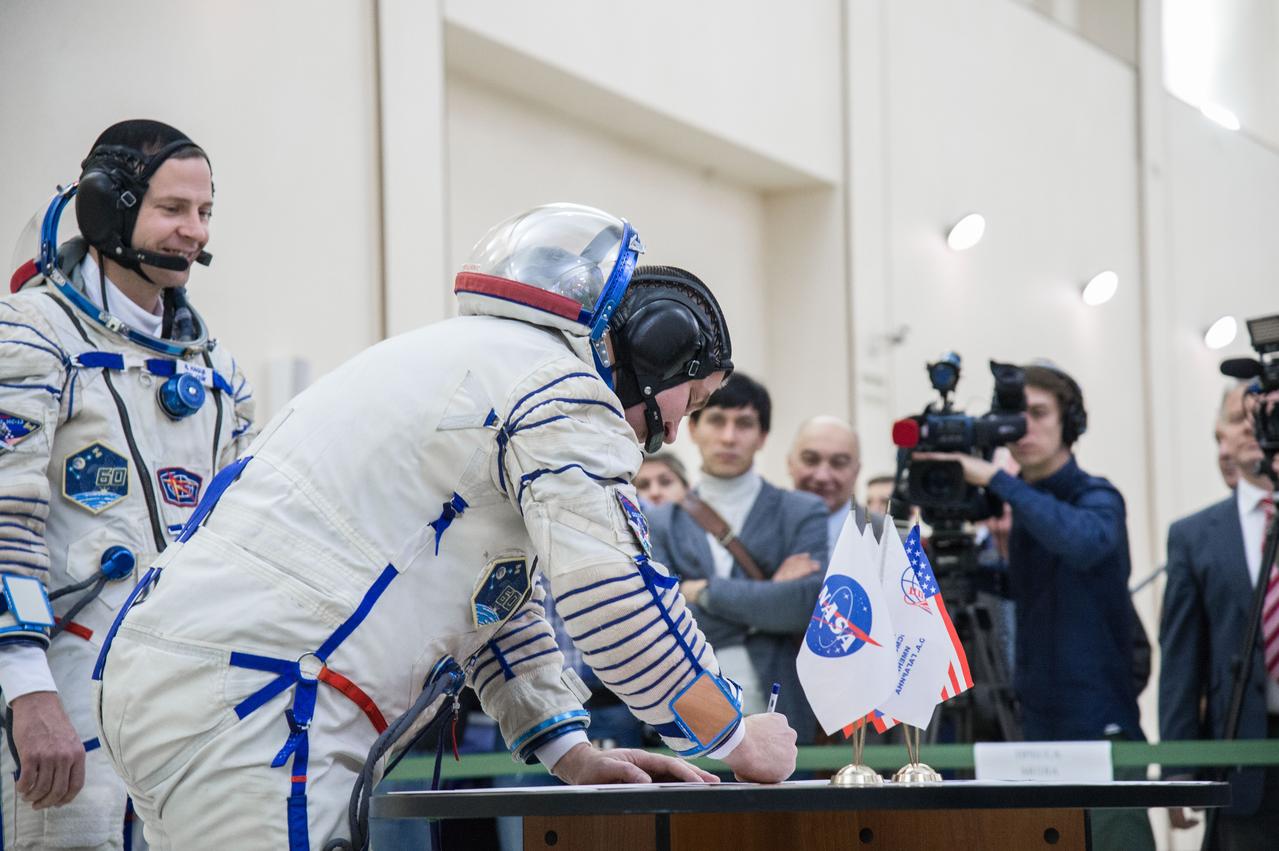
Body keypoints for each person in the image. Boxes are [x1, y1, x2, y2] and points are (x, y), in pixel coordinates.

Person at [92, 206, 797, 850]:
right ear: (656, 348)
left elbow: (488, 595)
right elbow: (614, 599)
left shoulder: (460, 358)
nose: (677, 427)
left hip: (165, 678)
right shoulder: (561, 389)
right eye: (694, 398)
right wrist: (734, 733)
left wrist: (567, 747)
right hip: (258, 703)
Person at [0, 120, 255, 850]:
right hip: (61, 685)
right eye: (173, 209)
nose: (192, 232)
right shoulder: (31, 337)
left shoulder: (219, 376)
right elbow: (5, 524)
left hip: (190, 702)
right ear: (109, 206)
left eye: (204, 213)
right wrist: (28, 687)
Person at [916, 362, 1153, 850]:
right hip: (1035, 727)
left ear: (1072, 423)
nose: (1024, 427)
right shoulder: (1028, 504)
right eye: (1014, 415)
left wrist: (999, 482)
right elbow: (1029, 586)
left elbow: (1083, 543)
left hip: (1098, 727)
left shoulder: (1098, 497)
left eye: (1039, 413)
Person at [648, 373, 828, 741]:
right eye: (717, 420)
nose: (729, 437)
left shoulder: (801, 510)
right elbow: (661, 623)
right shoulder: (661, 521)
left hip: (783, 713)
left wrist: (701, 593)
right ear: (692, 427)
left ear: (762, 436)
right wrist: (767, 603)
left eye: (744, 424)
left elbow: (804, 607)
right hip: (689, 719)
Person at [1161, 381, 1279, 848]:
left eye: (1268, 415)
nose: (1253, 428)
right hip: (1241, 761)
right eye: (1239, 417)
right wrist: (1177, 768)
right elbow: (1181, 660)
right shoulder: (1194, 536)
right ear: (1220, 435)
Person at [786, 415, 864, 553]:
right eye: (810, 460)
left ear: (856, 472)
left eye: (838, 463)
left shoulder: (890, 543)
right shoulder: (760, 531)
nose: (822, 476)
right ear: (790, 464)